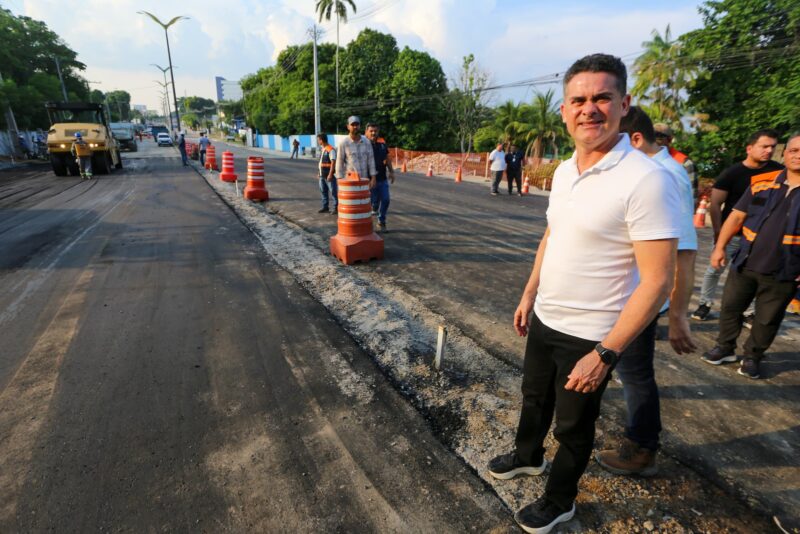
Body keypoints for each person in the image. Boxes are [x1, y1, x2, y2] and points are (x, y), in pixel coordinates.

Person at [486, 54, 680, 534]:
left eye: (601, 98)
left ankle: (560, 499)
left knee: (574, 425)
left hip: (592, 334)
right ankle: (528, 456)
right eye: (579, 100)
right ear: (564, 109)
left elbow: (657, 281)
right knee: (534, 397)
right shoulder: (567, 169)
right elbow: (553, 236)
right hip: (547, 317)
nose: (588, 109)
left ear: (623, 104)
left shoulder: (647, 180)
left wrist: (605, 352)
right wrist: (529, 293)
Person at [594, 106, 698, 477]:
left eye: (617, 141)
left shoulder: (664, 177)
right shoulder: (644, 172)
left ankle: (642, 447)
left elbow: (684, 254)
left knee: (636, 374)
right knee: (622, 369)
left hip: (640, 299)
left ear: (635, 138)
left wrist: (678, 314)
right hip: (620, 292)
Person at [702, 134, 800, 379]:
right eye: (794, 150)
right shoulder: (762, 182)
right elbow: (736, 216)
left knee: (767, 320)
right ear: (785, 154)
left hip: (785, 269)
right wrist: (719, 247)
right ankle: (724, 348)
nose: (797, 155)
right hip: (746, 261)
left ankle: (752, 357)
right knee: (730, 308)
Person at [691, 130, 783, 320]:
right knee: (715, 269)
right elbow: (715, 204)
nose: (769, 150)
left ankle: (748, 312)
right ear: (749, 148)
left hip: (760, 236)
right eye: (764, 146)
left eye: (772, 147)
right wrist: (718, 232)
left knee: (753, 274)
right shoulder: (733, 173)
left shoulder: (778, 172)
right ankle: (704, 304)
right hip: (732, 232)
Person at [653, 123, 698, 197]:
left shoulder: (685, 163)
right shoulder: (644, 159)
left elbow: (692, 197)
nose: (656, 140)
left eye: (660, 137)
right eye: (653, 136)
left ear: (670, 139)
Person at [365, 123, 395, 232]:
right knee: (369, 203)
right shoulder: (363, 144)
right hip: (368, 180)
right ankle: (366, 226)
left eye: (375, 131)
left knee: (386, 200)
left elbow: (387, 158)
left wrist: (391, 172)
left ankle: (381, 221)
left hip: (382, 178)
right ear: (366, 132)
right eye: (371, 131)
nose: (373, 133)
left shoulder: (382, 144)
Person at [335, 115, 377, 191]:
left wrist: (373, 177)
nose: (355, 127)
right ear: (348, 126)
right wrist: (339, 180)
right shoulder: (343, 143)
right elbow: (339, 162)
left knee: (364, 202)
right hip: (350, 182)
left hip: (364, 181)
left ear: (360, 126)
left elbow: (371, 161)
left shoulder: (367, 142)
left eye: (357, 124)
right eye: (352, 125)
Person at [317, 133, 338, 214]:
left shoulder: (330, 149)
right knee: (323, 191)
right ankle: (325, 207)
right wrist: (319, 172)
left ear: (321, 140)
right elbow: (321, 162)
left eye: (318, 140)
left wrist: (330, 174)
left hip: (329, 175)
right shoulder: (323, 149)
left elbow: (333, 163)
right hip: (322, 175)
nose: (318, 141)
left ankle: (336, 208)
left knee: (333, 192)